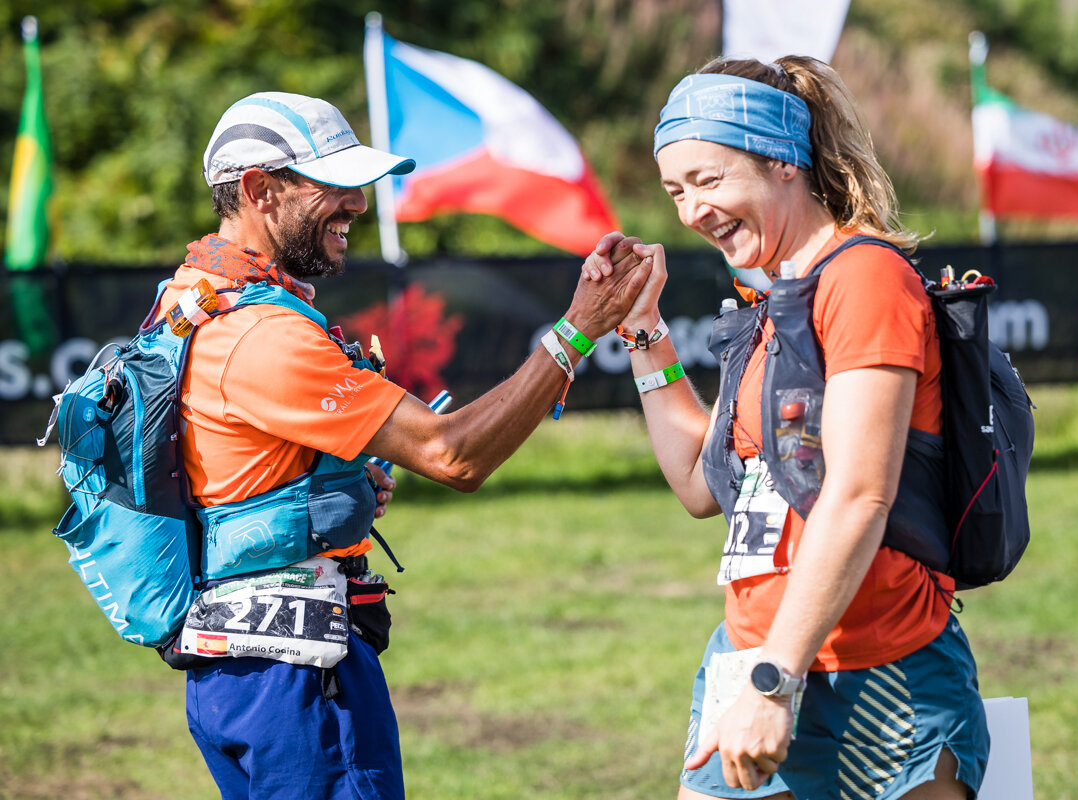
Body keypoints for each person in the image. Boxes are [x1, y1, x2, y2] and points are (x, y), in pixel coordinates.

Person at [158, 91, 649, 800]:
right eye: (334, 185)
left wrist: (329, 487)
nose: (358, 204)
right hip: (299, 677)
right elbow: (456, 454)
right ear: (260, 190)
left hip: (234, 673)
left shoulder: (193, 295)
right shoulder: (265, 334)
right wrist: (576, 330)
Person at [584, 57, 990, 799]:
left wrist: (776, 681)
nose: (689, 211)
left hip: (877, 672)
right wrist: (644, 330)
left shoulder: (864, 277)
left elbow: (860, 494)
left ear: (782, 164)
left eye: (709, 181)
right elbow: (702, 487)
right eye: (676, 190)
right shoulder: (771, 299)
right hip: (749, 659)